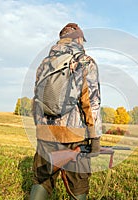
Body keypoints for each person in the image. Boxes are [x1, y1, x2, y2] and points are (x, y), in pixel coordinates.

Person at [30, 23, 102, 200]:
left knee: (42, 180)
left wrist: (41, 129)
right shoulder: (86, 62)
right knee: (78, 186)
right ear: (78, 39)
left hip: (46, 135)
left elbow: (37, 100)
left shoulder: (44, 64)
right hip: (75, 136)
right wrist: (95, 138)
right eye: (82, 40)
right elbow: (91, 103)